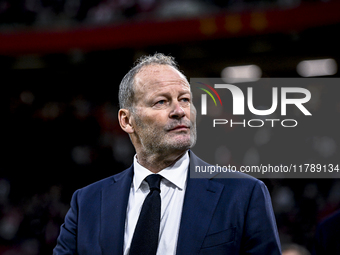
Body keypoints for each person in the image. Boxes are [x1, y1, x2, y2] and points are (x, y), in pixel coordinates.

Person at [53, 53, 281, 254]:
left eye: (185, 99)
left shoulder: (244, 194)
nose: (179, 111)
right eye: (161, 101)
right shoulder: (87, 203)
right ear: (126, 120)